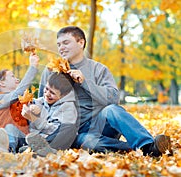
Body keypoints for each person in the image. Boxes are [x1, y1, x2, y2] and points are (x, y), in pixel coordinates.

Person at [38, 26, 172, 157]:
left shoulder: (98, 69)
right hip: (74, 133)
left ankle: (149, 145)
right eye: (59, 44)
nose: (61, 48)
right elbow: (42, 104)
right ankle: (135, 148)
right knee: (90, 142)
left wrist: (85, 83)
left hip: (100, 124)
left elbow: (113, 99)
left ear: (81, 43)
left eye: (66, 43)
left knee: (112, 110)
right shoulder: (51, 71)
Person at [21, 72, 79, 156]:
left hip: (54, 142)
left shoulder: (68, 108)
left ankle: (43, 150)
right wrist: (29, 109)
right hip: (35, 138)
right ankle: (31, 149)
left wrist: (36, 119)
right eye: (46, 89)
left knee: (70, 128)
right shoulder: (39, 102)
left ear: (63, 95)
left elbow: (55, 130)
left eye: (52, 93)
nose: (47, 94)